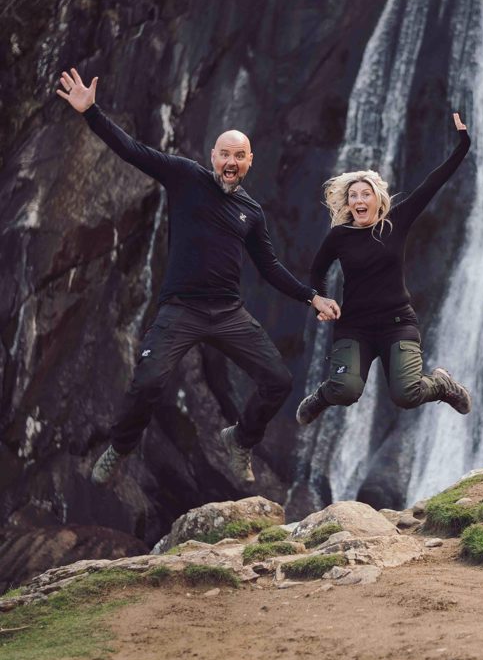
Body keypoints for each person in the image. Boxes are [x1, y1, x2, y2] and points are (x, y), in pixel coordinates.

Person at [56, 68, 340, 486]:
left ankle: (240, 438)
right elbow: (132, 150)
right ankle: (120, 446)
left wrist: (311, 296)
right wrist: (92, 113)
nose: (230, 162)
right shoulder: (185, 176)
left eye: (238, 157)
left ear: (249, 162)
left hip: (228, 314)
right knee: (148, 382)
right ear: (212, 157)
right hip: (181, 310)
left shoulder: (252, 213)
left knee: (279, 380)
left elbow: (270, 268)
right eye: (224, 154)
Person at [296, 112, 472, 426]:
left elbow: (433, 183)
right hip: (355, 326)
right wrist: (319, 299)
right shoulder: (340, 236)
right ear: (348, 204)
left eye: (365, 194)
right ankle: (322, 396)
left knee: (407, 395)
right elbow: (317, 270)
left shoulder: (396, 223)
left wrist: (462, 145)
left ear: (378, 199)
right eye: (353, 196)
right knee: (345, 390)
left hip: (397, 322)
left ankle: (443, 384)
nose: (358, 200)